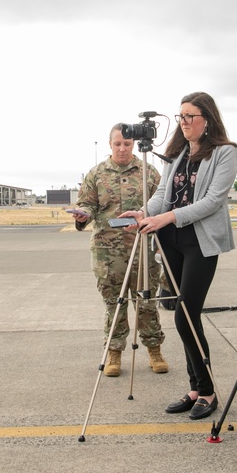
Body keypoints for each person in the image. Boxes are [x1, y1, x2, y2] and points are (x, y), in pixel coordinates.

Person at [122, 92, 237, 421]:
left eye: (190, 116)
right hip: (170, 240)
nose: (183, 122)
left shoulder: (224, 153)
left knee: (186, 315)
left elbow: (213, 200)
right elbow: (163, 194)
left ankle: (209, 390)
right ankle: (195, 389)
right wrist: (145, 213)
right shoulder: (176, 153)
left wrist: (167, 217)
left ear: (207, 119)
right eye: (181, 116)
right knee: (181, 313)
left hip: (200, 241)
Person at [71, 126, 168, 377]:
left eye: (126, 143)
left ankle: (154, 350)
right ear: (110, 145)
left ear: (133, 144)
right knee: (114, 303)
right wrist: (83, 214)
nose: (122, 148)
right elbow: (87, 204)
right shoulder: (97, 173)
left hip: (142, 247)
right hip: (107, 251)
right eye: (117, 144)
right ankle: (114, 352)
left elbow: (163, 204)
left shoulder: (149, 172)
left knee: (146, 301)